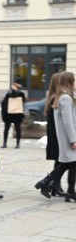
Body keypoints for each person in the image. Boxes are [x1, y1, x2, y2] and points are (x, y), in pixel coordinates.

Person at [35, 72, 76, 201]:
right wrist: (73, 139)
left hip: (66, 137)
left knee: (68, 163)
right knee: (70, 163)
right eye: (73, 80)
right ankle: (53, 184)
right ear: (69, 82)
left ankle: (49, 183)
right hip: (67, 137)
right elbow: (68, 121)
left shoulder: (65, 96)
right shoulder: (65, 98)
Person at [1, 82, 26, 148]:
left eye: (14, 87)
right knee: (6, 129)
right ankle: (5, 143)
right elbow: (4, 104)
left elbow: (22, 101)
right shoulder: (8, 94)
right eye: (12, 87)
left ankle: (17, 143)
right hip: (9, 115)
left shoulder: (21, 94)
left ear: (17, 88)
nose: (13, 88)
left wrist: (14, 91)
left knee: (17, 129)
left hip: (17, 114)